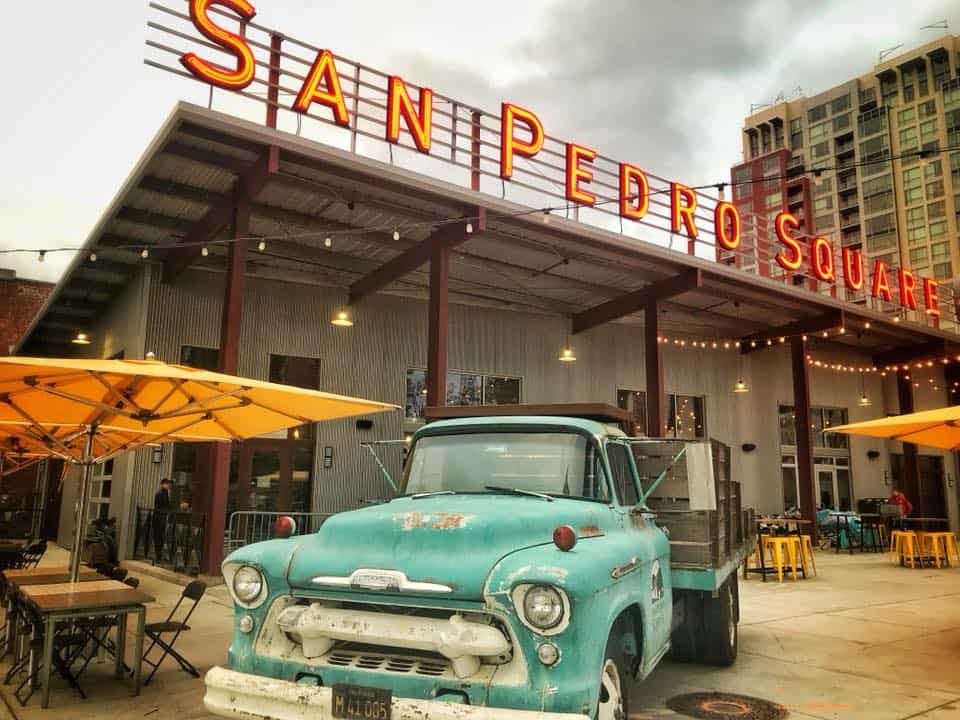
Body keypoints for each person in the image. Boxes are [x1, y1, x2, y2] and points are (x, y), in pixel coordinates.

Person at [152, 478, 172, 563]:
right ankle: (158, 557)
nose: (169, 486)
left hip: (161, 518)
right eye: (167, 484)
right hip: (159, 518)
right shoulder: (160, 493)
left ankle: (159, 556)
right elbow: (163, 505)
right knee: (158, 537)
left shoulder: (165, 493)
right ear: (163, 484)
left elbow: (167, 505)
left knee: (161, 538)